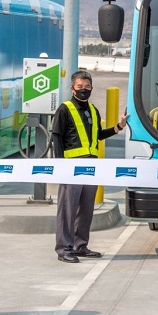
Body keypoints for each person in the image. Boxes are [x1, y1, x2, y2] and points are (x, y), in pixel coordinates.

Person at [51, 70, 126, 263]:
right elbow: (56, 138)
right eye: (80, 87)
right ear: (72, 88)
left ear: (91, 87)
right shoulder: (64, 109)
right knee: (68, 210)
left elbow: (99, 135)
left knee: (86, 209)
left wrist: (118, 127)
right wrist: (59, 167)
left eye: (87, 87)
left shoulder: (93, 110)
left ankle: (80, 246)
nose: (84, 90)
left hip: (91, 167)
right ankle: (64, 249)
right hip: (71, 166)